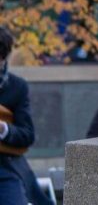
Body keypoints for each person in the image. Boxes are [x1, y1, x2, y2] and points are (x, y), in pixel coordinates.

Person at [0, 27, 52, 205]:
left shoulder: (17, 87)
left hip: (5, 167)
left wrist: (3, 129)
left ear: (3, 58)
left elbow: (27, 135)